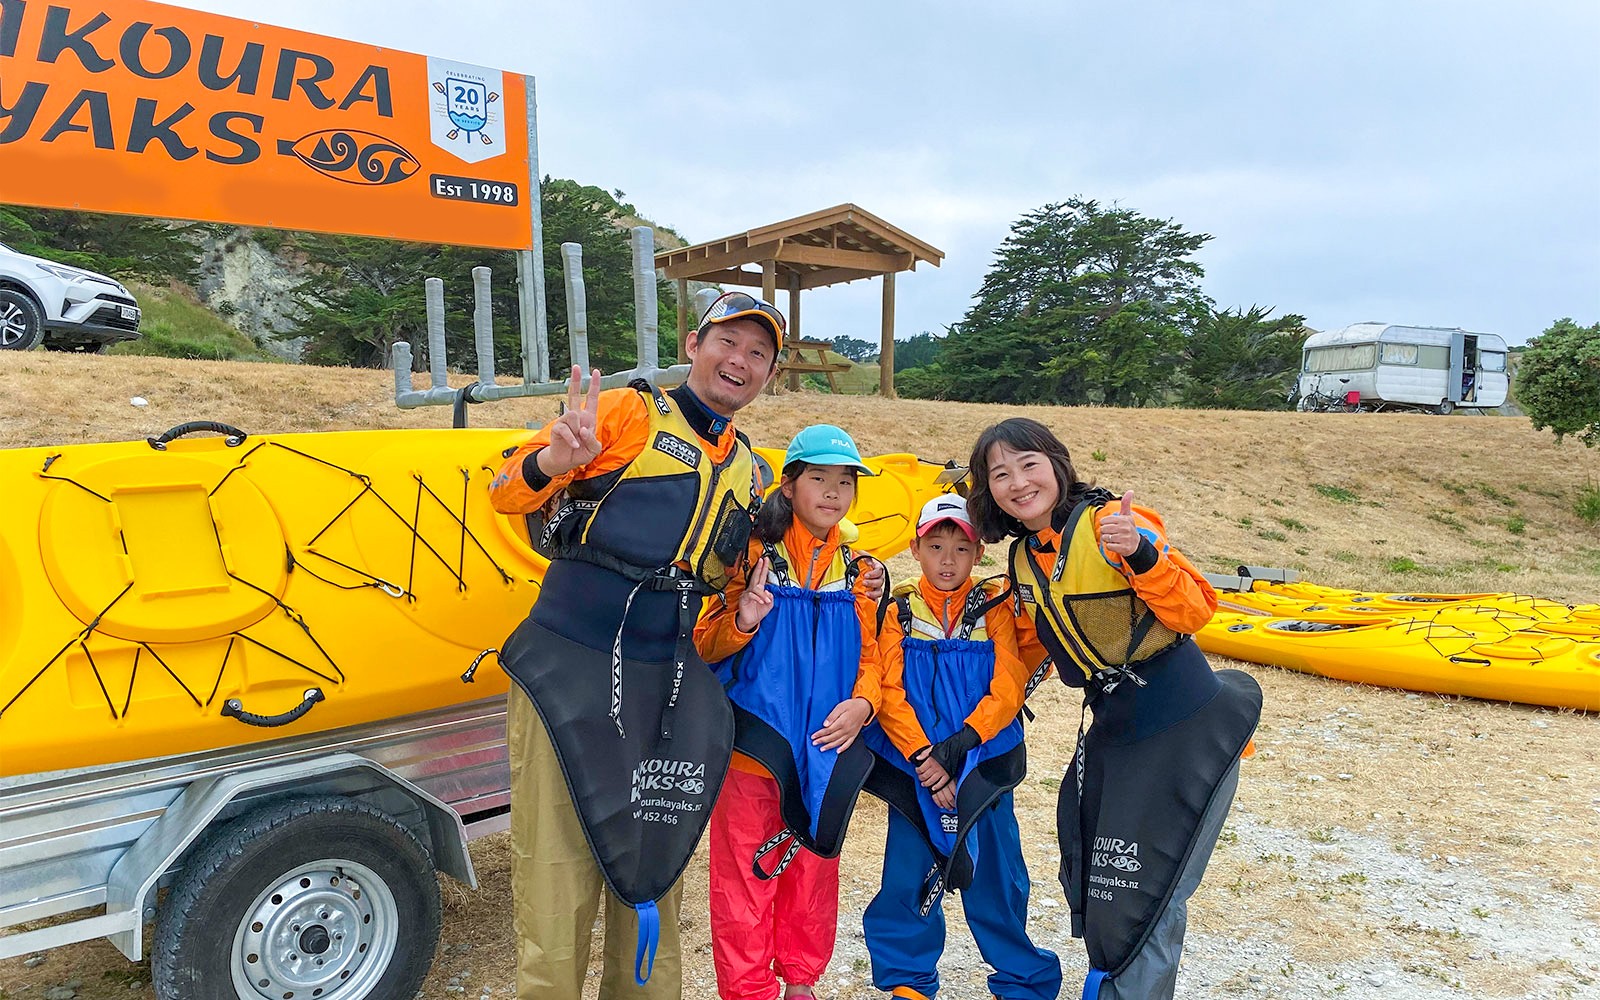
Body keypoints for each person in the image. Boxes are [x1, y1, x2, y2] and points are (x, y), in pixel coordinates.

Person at [488, 291, 783, 999]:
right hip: (567, 671)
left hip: (663, 692)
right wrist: (552, 462)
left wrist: (741, 621)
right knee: (557, 886)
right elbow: (502, 490)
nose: (739, 361)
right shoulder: (626, 414)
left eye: (758, 353)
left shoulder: (752, 473)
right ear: (693, 342)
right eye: (728, 342)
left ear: (770, 375)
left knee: (652, 879)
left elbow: (710, 626)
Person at [965, 417, 1261, 1000]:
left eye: (1029, 464)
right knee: (1106, 881)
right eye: (1000, 474)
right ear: (988, 491)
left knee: (1151, 887)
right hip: (1118, 727)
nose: (1018, 482)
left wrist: (1143, 555)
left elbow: (1197, 609)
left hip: (1184, 725)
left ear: (1057, 464)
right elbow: (1024, 656)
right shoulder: (1025, 559)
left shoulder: (1112, 523)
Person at [694, 424, 887, 1000]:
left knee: (812, 866)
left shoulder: (859, 573)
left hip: (826, 750)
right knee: (745, 876)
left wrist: (865, 703)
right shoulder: (750, 557)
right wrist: (744, 619)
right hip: (757, 750)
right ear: (790, 484)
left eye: (845, 482)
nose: (833, 492)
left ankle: (801, 980)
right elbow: (703, 644)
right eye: (819, 478)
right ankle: (748, 990)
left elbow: (877, 655)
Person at [861, 494, 1062, 1000]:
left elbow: (1010, 683)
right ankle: (907, 980)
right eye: (935, 546)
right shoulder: (899, 610)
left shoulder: (995, 607)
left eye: (961, 548)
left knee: (999, 876)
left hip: (984, 764)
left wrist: (964, 750)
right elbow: (887, 690)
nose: (947, 560)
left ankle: (1021, 980)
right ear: (915, 548)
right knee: (907, 875)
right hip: (916, 771)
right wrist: (925, 760)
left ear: (978, 554)